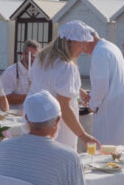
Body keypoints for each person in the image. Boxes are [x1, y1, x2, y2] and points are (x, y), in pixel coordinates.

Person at [28, 21, 99, 150]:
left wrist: (78, 90)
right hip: (58, 126)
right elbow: (64, 106)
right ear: (70, 41)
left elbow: (47, 82)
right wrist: (83, 135)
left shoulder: (41, 59)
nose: (84, 48)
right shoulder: (67, 67)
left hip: (36, 120)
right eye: (82, 43)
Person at [81, 27, 124, 145]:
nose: (82, 50)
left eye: (81, 44)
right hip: (121, 99)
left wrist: (92, 105)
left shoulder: (99, 53)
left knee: (108, 145)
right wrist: (90, 95)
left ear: (88, 40)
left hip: (111, 104)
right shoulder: (110, 46)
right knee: (123, 140)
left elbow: (101, 85)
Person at [1, 39, 40, 106]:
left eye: (36, 56)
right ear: (23, 54)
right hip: (14, 113)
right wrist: (31, 97)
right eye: (32, 56)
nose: (34, 59)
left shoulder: (37, 72)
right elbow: (5, 97)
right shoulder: (10, 72)